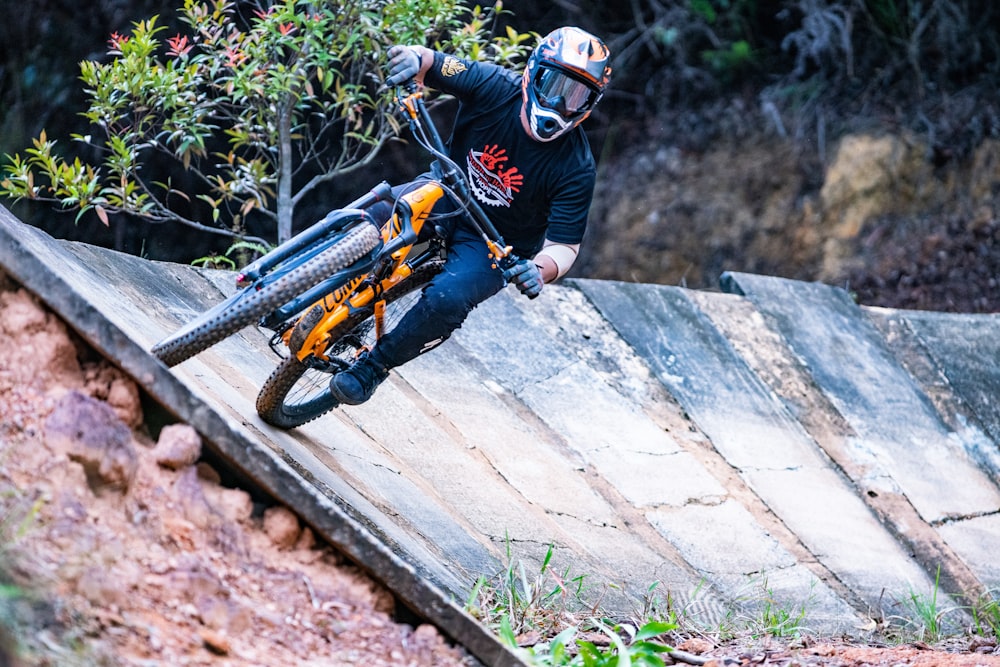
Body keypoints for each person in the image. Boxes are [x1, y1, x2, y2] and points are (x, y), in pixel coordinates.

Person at [329, 26, 612, 405]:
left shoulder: (577, 167)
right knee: (373, 213)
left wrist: (539, 270)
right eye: (555, 84)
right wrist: (413, 59)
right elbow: (436, 64)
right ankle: (305, 277)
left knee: (447, 300)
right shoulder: (496, 86)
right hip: (447, 193)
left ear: (590, 104)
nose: (561, 103)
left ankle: (373, 368)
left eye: (577, 95)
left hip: (495, 245)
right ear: (533, 71)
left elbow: (565, 245)